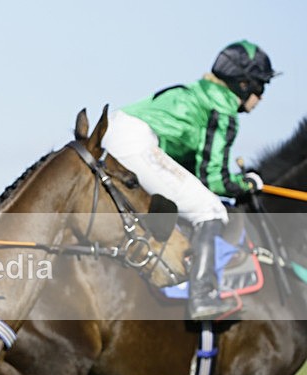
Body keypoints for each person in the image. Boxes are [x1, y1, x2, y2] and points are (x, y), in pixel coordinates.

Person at [102, 40, 276, 321]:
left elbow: (190, 173)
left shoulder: (199, 93)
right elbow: (214, 179)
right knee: (212, 210)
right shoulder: (223, 106)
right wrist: (248, 184)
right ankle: (202, 296)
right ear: (243, 84)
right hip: (134, 143)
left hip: (109, 132)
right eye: (260, 86)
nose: (262, 96)